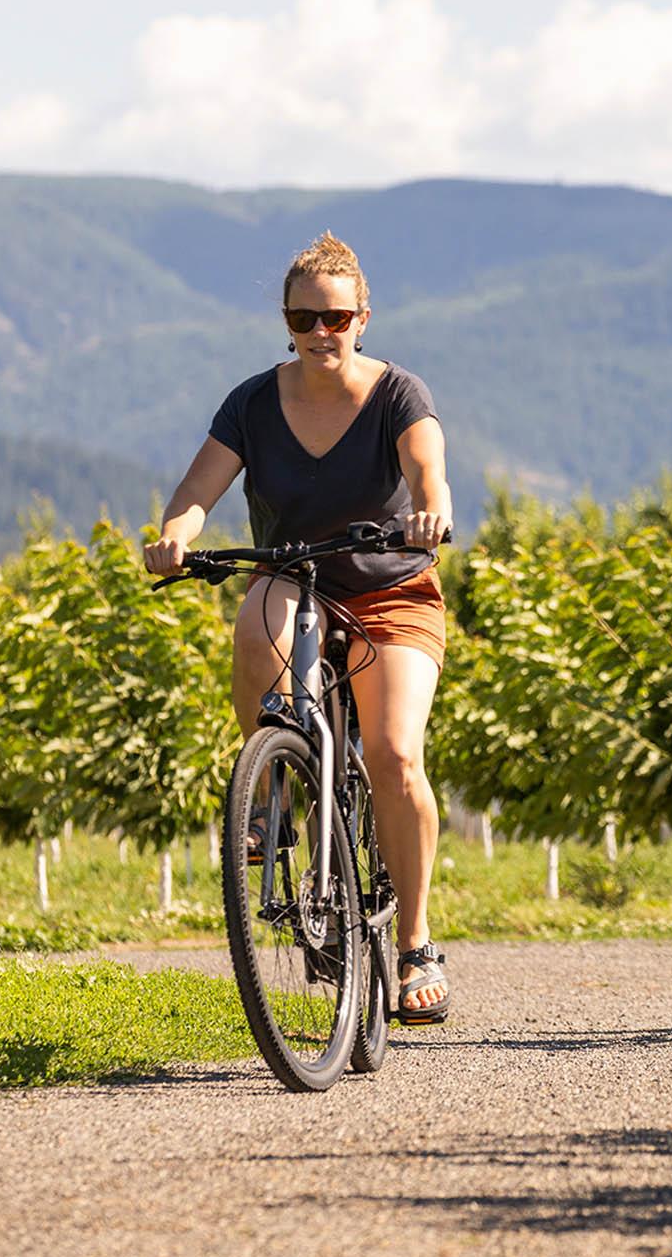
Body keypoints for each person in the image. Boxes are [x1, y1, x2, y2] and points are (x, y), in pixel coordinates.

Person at [142, 231, 453, 1025]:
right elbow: (196, 488)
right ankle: (273, 786)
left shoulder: (397, 395)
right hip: (296, 572)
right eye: (303, 317)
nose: (321, 333)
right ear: (285, 320)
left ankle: (415, 943)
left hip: (391, 589)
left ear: (363, 318)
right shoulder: (252, 402)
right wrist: (175, 533)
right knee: (255, 627)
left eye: (337, 319)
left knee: (392, 753)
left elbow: (429, 469)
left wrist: (431, 511)